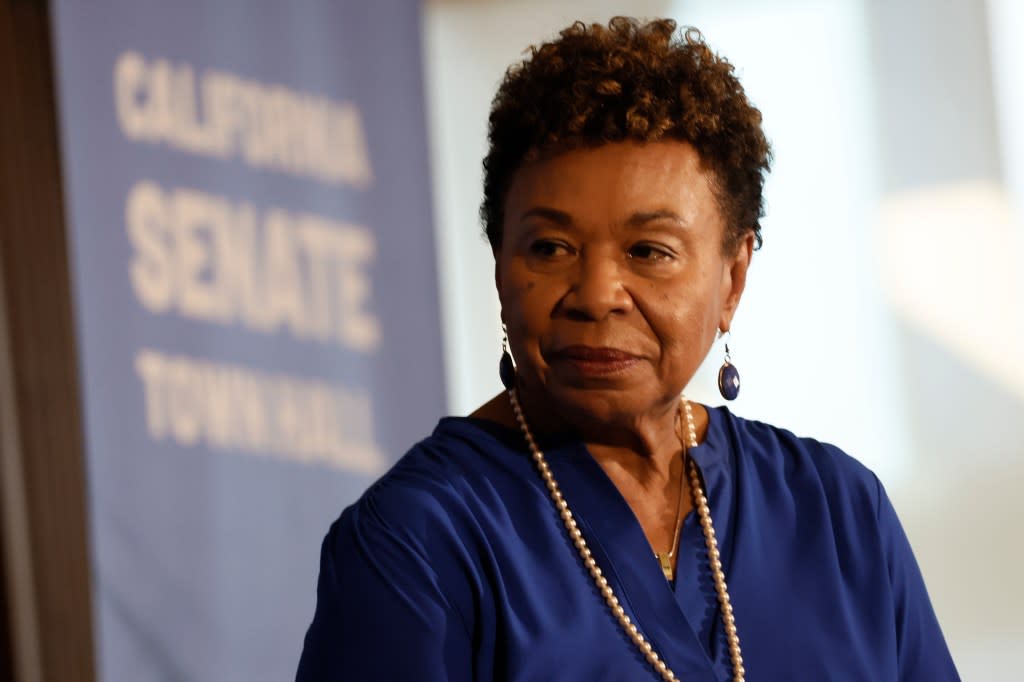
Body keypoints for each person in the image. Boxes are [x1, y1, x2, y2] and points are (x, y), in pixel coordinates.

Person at [296, 17, 959, 681]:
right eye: (551, 248)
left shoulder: (839, 515)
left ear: (732, 277)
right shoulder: (418, 539)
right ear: (501, 262)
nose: (596, 294)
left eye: (649, 252)